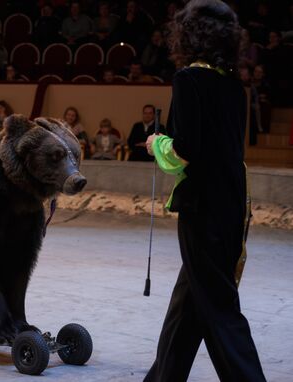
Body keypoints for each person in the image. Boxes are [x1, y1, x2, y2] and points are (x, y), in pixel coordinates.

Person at [144, 1, 266, 380]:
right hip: (232, 204)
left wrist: (156, 145)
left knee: (218, 307)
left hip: (204, 207)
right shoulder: (235, 87)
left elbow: (185, 152)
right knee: (189, 303)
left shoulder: (189, 80)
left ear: (187, 35)